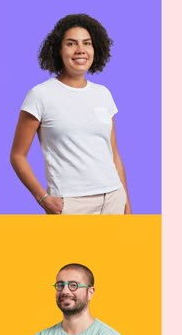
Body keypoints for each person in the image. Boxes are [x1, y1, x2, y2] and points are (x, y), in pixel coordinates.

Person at [10, 14, 131, 215]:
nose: (80, 50)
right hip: (71, 203)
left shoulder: (103, 94)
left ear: (95, 49)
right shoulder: (40, 95)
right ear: (59, 50)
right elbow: (17, 155)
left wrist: (125, 202)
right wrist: (44, 199)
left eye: (87, 43)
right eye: (71, 44)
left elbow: (114, 154)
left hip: (113, 198)